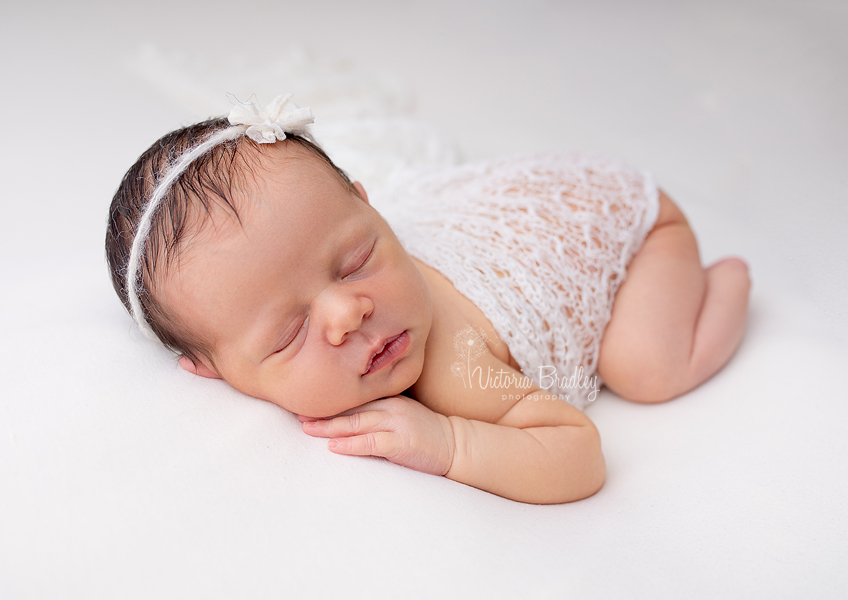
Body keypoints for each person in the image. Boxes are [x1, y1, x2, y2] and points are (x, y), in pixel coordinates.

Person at [106, 95, 751, 504]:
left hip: (620, 223)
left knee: (645, 368)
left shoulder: (456, 364)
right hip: (526, 219)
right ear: (209, 369)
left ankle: (730, 280)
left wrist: (448, 443)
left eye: (359, 259)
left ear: (369, 205)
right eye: (287, 334)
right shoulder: (312, 278)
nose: (347, 312)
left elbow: (578, 455)